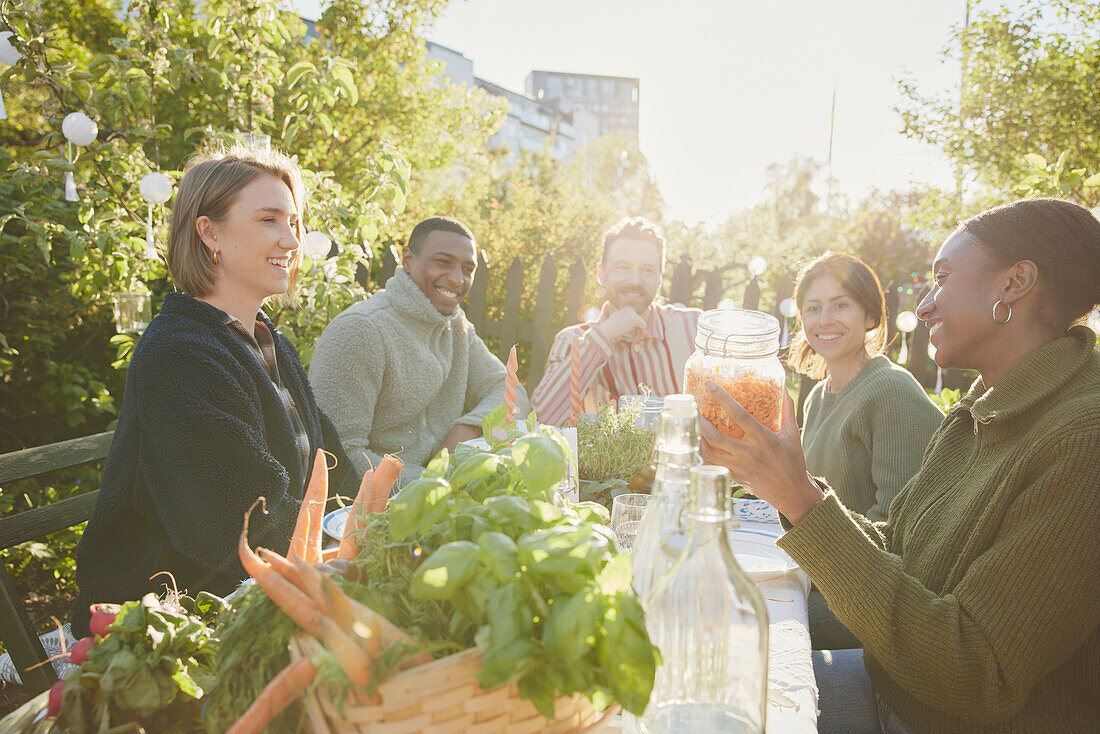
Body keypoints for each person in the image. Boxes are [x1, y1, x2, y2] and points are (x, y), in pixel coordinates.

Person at [700, 198, 1100, 733]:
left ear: (1014, 283)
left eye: (941, 278)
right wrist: (789, 490)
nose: (927, 304)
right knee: (709, 671)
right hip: (892, 684)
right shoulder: (983, 408)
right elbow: (899, 549)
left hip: (933, 719)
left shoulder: (1081, 440)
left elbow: (977, 674)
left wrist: (800, 497)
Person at [73, 146, 355, 637]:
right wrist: (347, 554)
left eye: (294, 222)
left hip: (255, 586)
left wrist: (381, 522)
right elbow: (239, 515)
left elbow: (329, 467)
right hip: (165, 618)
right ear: (210, 233)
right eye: (269, 219)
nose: (291, 240)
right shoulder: (178, 355)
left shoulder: (270, 342)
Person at [309, 216, 527, 482]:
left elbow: (510, 391)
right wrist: (433, 487)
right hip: (367, 510)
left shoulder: (457, 326)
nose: (458, 279)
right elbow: (339, 457)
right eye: (443, 262)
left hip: (434, 495)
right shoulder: (360, 331)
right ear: (408, 261)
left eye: (467, 269)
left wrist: (467, 428)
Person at [790, 253, 942, 523]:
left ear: (870, 316)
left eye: (841, 305)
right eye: (813, 308)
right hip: (818, 560)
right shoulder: (816, 398)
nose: (824, 320)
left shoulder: (892, 391)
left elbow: (898, 526)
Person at [531, 217, 700, 425]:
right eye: (622, 267)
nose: (634, 281)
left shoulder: (694, 329)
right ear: (601, 274)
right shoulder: (571, 342)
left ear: (659, 279)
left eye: (647, 270)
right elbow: (542, 419)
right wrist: (602, 337)